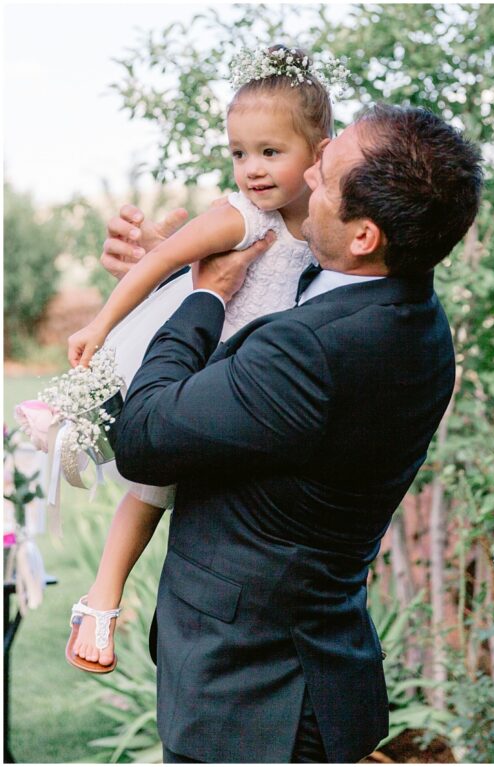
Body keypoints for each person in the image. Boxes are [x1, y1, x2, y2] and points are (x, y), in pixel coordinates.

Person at [101, 106, 482, 762]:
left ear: (365, 236)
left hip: (251, 703)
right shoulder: (418, 319)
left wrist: (203, 298)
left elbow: (140, 434)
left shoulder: (311, 354)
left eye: (326, 178)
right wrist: (166, 277)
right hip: (313, 671)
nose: (308, 175)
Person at [64, 46, 340, 675]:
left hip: (258, 387)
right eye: (239, 153)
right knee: (152, 484)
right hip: (199, 364)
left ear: (321, 151)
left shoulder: (327, 233)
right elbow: (162, 262)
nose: (251, 170)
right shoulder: (241, 216)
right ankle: (103, 598)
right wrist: (100, 323)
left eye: (270, 152)